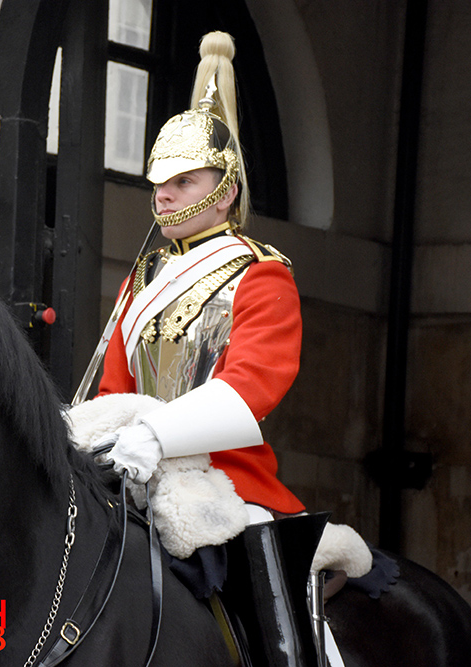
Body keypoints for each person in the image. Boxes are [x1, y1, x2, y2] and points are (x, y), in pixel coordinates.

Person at [78, 32, 324, 667]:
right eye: (159, 181)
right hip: (132, 469)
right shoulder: (144, 279)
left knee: (277, 620)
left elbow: (250, 390)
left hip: (229, 481)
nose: (163, 193)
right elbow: (114, 392)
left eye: (184, 181)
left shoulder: (260, 274)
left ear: (227, 186)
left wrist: (159, 435)